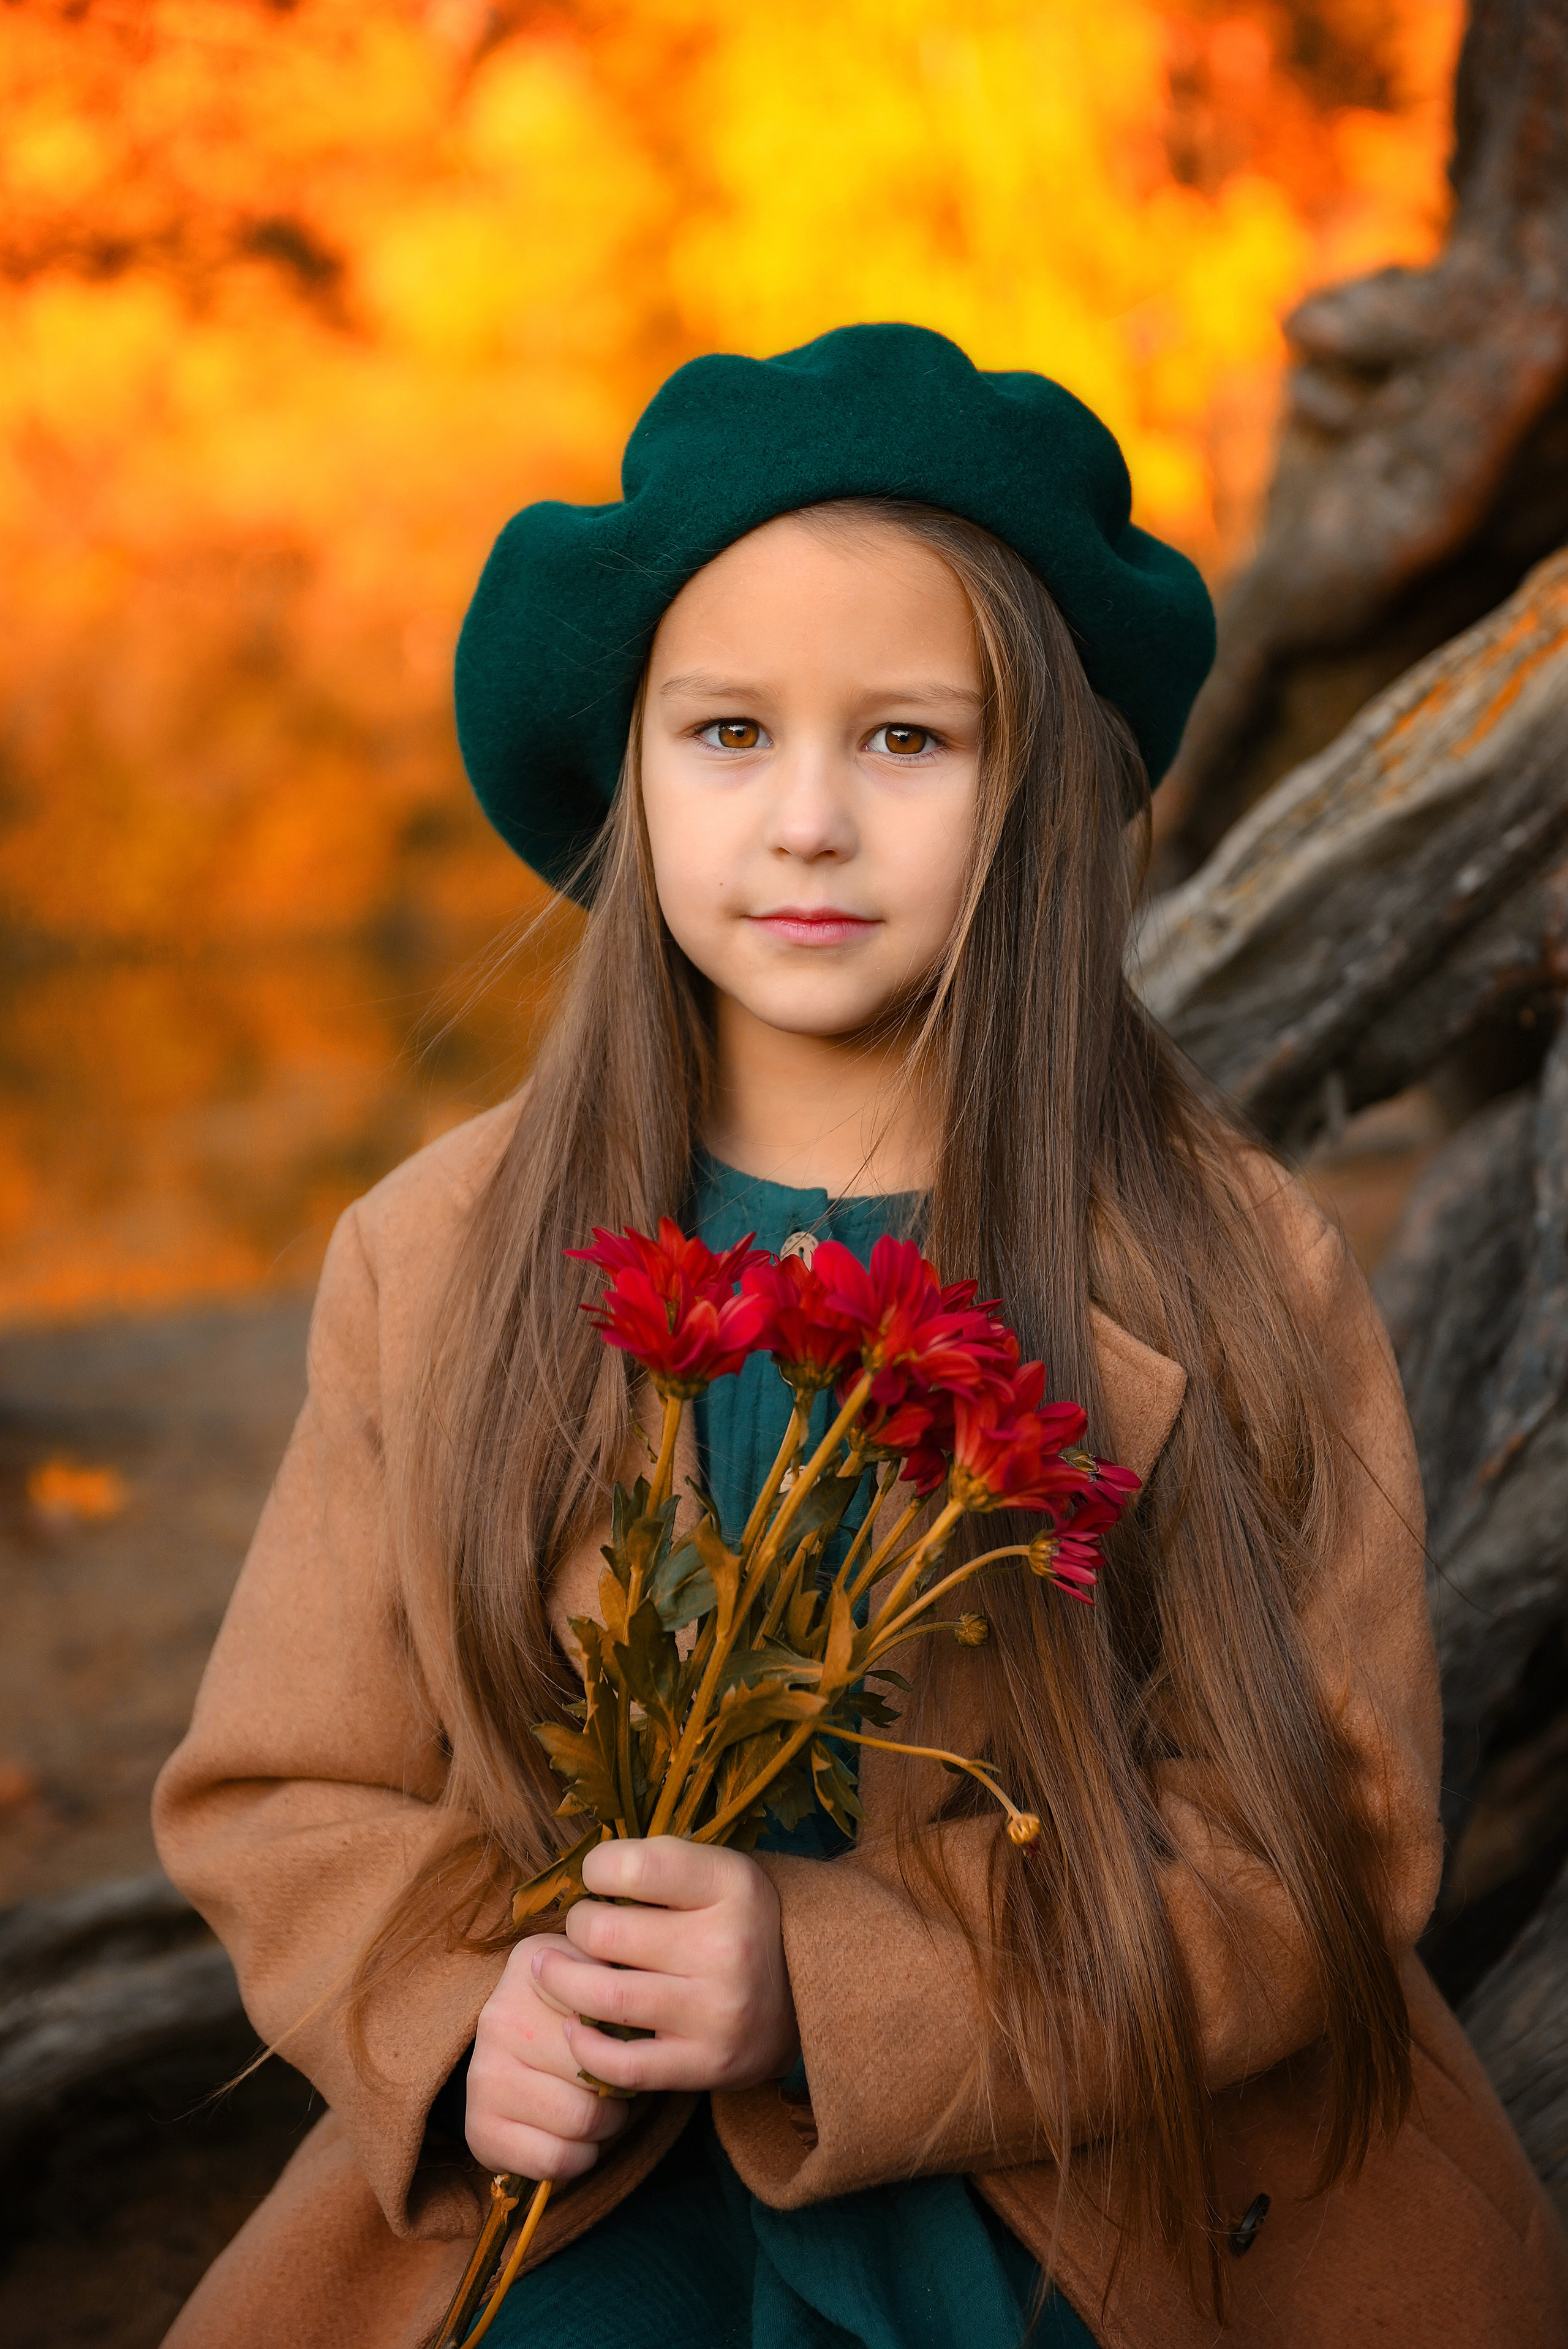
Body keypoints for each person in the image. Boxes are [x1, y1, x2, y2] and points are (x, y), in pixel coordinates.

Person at [152, 325, 1568, 2349]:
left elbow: (1314, 1858)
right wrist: (473, 2016)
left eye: (907, 738)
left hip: (1087, 2180)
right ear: (630, 774)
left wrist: (826, 1977)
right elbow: (281, 1788)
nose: (807, 820)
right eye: (729, 733)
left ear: (1039, 789)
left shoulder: (1225, 1259)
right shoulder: (439, 1257)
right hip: (594, 2191)